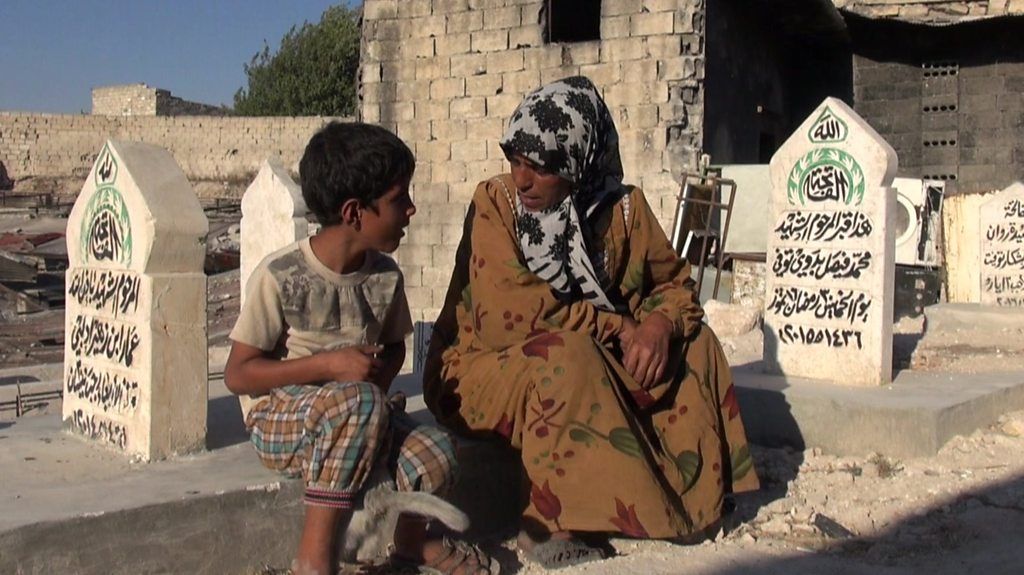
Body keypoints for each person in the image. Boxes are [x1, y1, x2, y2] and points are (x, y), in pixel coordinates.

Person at [423, 77, 760, 569]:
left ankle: (689, 499)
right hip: (479, 371)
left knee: (696, 342)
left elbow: (674, 287)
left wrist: (657, 326)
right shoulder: (495, 204)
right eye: (515, 159)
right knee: (566, 354)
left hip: (593, 358)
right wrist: (618, 328)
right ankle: (548, 524)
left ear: (579, 162)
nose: (522, 178)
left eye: (541, 167)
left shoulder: (624, 211)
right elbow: (508, 317)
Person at [225, 122, 497, 575]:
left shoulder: (385, 277)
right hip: (282, 422)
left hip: (359, 417)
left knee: (435, 448)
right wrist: (329, 366)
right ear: (354, 212)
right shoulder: (283, 276)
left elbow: (393, 348)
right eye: (398, 199)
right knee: (358, 403)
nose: (411, 209)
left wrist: (377, 386)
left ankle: (410, 549)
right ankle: (314, 560)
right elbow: (239, 374)